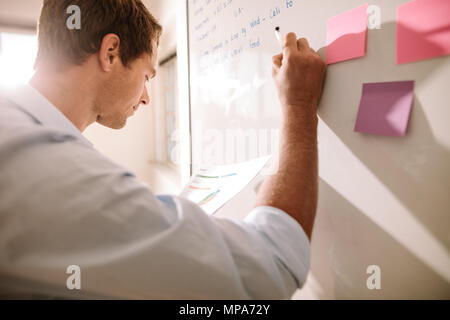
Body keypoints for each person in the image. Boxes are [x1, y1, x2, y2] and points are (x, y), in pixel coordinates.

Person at [0, 0, 326, 299]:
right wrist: (298, 105)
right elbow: (270, 266)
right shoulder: (53, 173)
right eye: (146, 76)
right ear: (110, 52)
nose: (146, 97)